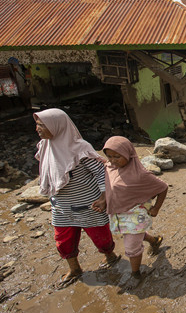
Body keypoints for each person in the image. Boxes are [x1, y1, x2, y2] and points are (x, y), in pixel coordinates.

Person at [34, 108, 120, 289]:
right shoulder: (45, 147)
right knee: (63, 241)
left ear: (57, 126)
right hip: (61, 206)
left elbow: (100, 172)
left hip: (89, 204)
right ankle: (75, 269)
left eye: (42, 125)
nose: (37, 129)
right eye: (37, 124)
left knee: (101, 236)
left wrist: (104, 197)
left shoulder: (80, 148)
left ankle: (110, 255)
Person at [97, 136, 168, 281]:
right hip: (119, 212)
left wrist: (156, 208)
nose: (113, 160)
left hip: (136, 213)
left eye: (117, 156)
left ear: (129, 153)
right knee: (131, 234)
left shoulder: (140, 174)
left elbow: (163, 187)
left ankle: (136, 274)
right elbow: (109, 186)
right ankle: (154, 240)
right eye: (109, 156)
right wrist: (104, 200)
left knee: (131, 247)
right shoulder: (110, 167)